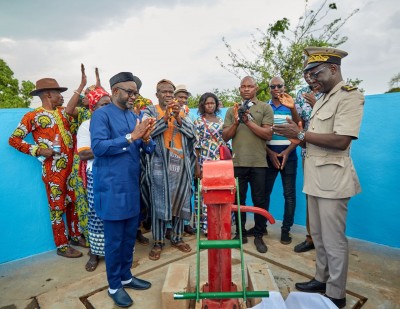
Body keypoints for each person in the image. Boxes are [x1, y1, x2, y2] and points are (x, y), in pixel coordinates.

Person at [272, 47, 364, 308]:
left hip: (333, 181)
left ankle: (336, 294)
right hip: (315, 178)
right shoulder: (322, 98)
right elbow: (312, 140)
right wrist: (295, 135)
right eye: (308, 74)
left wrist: (300, 135)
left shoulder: (349, 97)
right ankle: (321, 279)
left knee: (334, 239)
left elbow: (341, 140)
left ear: (333, 69)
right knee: (320, 237)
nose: (311, 79)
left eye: (315, 73)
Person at [90, 72, 155, 308]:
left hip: (131, 187)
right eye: (130, 91)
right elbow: (98, 148)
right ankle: (114, 285)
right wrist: (130, 137)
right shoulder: (102, 115)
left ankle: (126, 276)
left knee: (129, 237)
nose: (133, 96)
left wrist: (146, 139)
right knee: (114, 241)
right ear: (115, 91)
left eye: (136, 93)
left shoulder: (132, 116)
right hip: (111, 188)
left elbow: (145, 147)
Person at [9, 78, 85, 258]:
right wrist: (38, 150)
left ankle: (75, 235)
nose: (61, 96)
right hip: (53, 170)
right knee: (57, 207)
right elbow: (13, 140)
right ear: (48, 94)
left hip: (71, 168)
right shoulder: (32, 116)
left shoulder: (64, 113)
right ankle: (62, 245)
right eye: (58, 93)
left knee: (74, 202)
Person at [142, 79, 196, 261]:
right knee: (159, 202)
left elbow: (192, 134)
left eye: (170, 93)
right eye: (163, 92)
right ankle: (158, 241)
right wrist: (165, 117)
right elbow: (146, 133)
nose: (167, 95)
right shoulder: (149, 111)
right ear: (157, 94)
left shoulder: (182, 111)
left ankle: (177, 238)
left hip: (181, 164)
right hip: (159, 164)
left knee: (181, 201)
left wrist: (177, 117)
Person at [222, 76, 274, 253]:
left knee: (259, 200)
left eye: (250, 86)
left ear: (256, 88)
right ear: (239, 89)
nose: (246, 89)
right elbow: (225, 136)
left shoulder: (265, 108)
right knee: (238, 200)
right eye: (243, 86)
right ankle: (240, 233)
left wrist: (248, 121)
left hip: (259, 163)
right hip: (237, 163)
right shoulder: (232, 110)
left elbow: (267, 135)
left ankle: (259, 234)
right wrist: (237, 120)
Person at [76, 87, 111, 271]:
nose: (108, 108)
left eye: (109, 104)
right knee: (96, 215)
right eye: (103, 104)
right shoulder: (86, 126)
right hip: (95, 174)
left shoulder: (115, 122)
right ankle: (95, 253)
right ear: (93, 107)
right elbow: (83, 154)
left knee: (114, 214)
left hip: (115, 174)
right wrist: (109, 147)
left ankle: (114, 252)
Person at [66, 64, 99, 248]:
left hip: (102, 163)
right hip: (83, 160)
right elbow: (69, 110)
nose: (90, 95)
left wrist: (96, 83)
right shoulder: (83, 113)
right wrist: (81, 85)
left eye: (93, 93)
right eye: (88, 94)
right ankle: (88, 237)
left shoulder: (107, 112)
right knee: (84, 200)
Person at [292, 67, 323, 253]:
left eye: (312, 72)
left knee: (325, 197)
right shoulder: (302, 93)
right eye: (305, 72)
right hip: (307, 151)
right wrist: (291, 109)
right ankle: (311, 237)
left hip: (328, 150)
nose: (308, 75)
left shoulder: (331, 92)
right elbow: (299, 122)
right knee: (310, 195)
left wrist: (315, 105)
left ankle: (325, 240)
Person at [265, 76, 298, 245]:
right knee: (264, 193)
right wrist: (270, 152)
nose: (276, 88)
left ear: (284, 87)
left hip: (289, 156)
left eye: (280, 86)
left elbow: (300, 131)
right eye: (273, 86)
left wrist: (286, 151)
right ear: (269, 89)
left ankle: (286, 230)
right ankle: (261, 226)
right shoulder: (264, 107)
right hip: (269, 156)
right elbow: (260, 135)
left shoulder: (292, 107)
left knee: (289, 195)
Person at [193, 92, 229, 235]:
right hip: (205, 160)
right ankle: (206, 226)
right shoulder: (198, 122)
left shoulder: (221, 121)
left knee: (220, 192)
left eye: (212, 103)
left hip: (219, 161)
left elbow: (225, 140)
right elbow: (195, 146)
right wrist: (197, 167)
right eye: (207, 103)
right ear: (203, 105)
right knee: (205, 194)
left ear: (216, 104)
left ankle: (221, 224)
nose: (210, 106)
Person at [174, 84, 195, 236]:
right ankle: (170, 227)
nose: (182, 100)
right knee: (173, 193)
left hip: (187, 157)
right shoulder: (168, 111)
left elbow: (193, 134)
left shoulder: (190, 115)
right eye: (180, 96)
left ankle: (187, 223)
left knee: (188, 191)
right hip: (172, 156)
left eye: (185, 97)